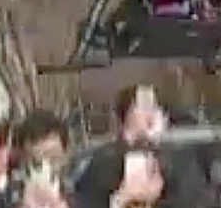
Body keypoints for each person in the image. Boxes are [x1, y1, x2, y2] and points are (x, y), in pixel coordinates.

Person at [73, 85, 205, 208]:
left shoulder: (182, 161)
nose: (151, 113)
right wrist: (123, 198)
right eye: (144, 105)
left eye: (156, 107)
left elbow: (197, 199)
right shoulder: (103, 160)